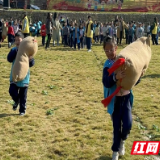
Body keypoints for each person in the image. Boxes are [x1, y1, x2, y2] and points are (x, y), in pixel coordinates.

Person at [102, 36, 138, 160]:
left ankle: (123, 140)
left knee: (127, 124)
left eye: (111, 49)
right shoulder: (107, 65)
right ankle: (115, 151)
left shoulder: (124, 60)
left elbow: (133, 76)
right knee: (116, 126)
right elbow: (106, 82)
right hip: (115, 101)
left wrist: (137, 77)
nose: (109, 53)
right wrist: (115, 77)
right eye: (106, 51)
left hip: (126, 98)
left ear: (116, 48)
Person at [7, 32, 35, 116]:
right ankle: (17, 101)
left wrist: (30, 60)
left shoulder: (28, 52)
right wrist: (15, 51)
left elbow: (32, 64)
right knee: (12, 91)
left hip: (24, 77)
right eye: (15, 40)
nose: (17, 42)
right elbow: (9, 59)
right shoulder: (14, 50)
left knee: (23, 95)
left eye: (19, 40)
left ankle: (22, 110)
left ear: (23, 41)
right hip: (15, 75)